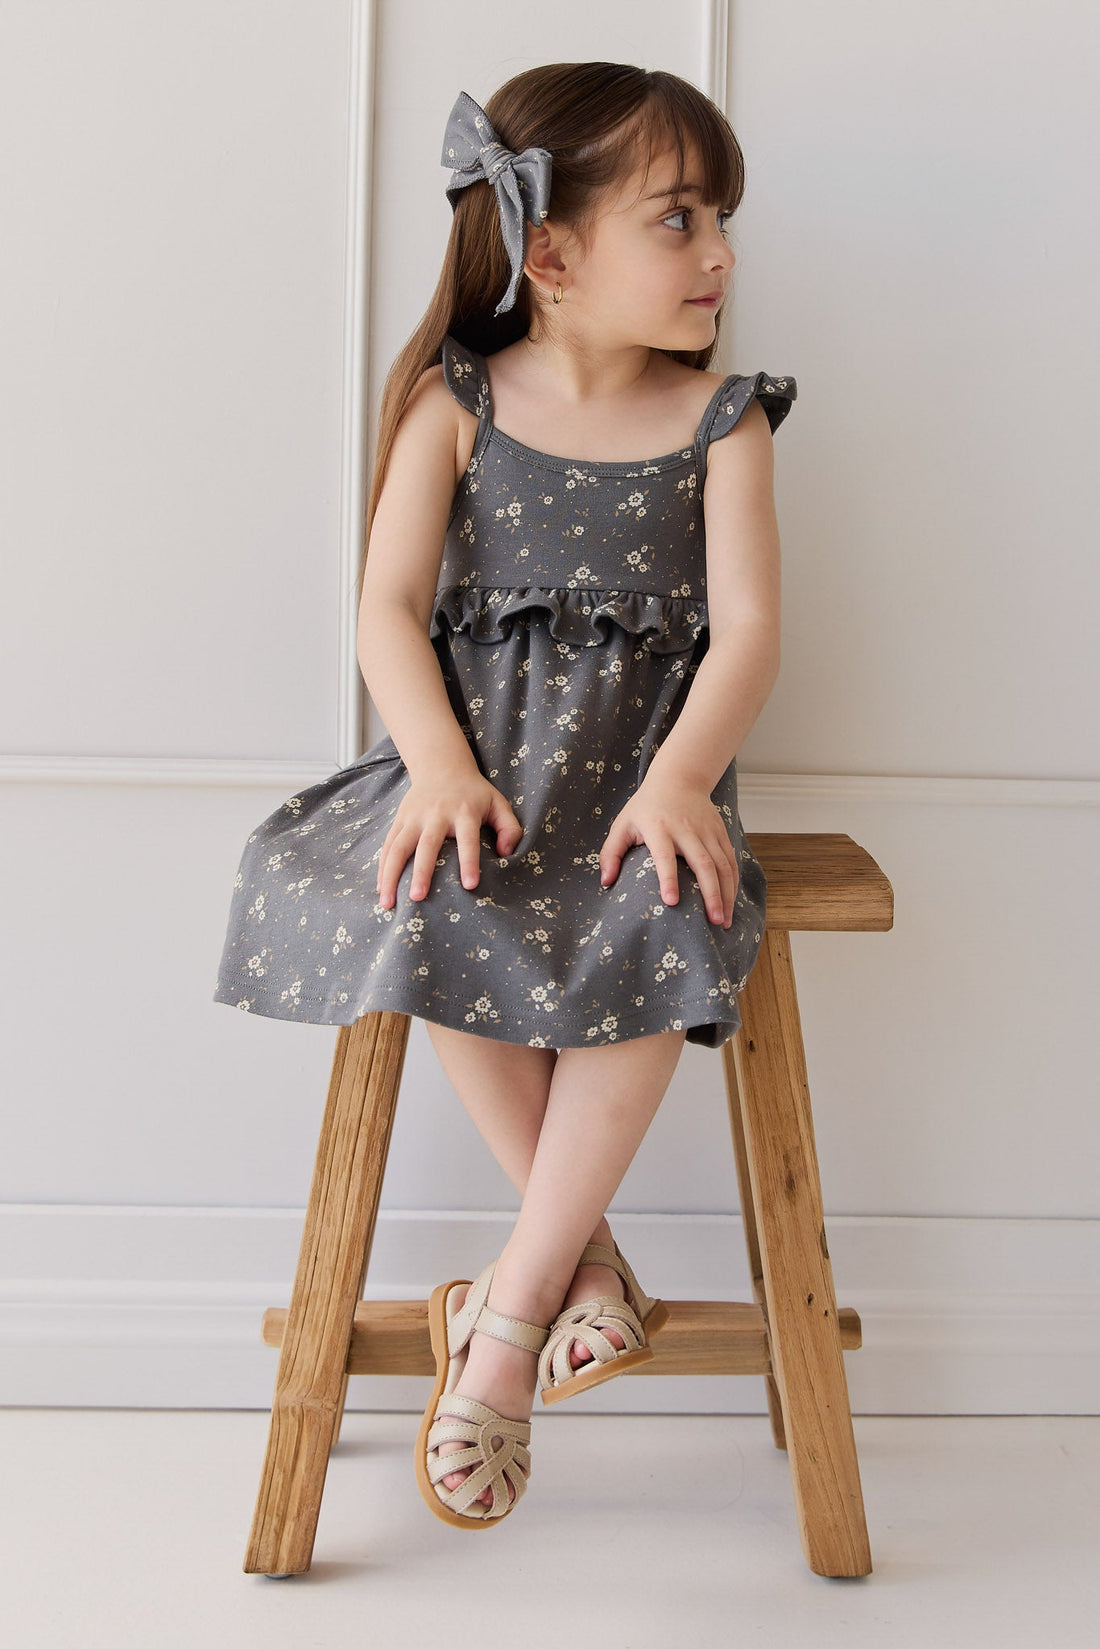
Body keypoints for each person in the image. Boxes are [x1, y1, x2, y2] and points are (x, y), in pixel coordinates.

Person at [212, 61, 796, 1528]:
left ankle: (509, 1318)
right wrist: (439, 766)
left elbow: (750, 630)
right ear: (551, 251)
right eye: (680, 218)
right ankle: (577, 1267)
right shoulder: (455, 402)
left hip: (638, 791)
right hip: (477, 780)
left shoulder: (722, 420)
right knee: (426, 894)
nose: (722, 254)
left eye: (722, 218)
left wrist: (682, 781)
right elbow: (385, 610)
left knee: (669, 916)